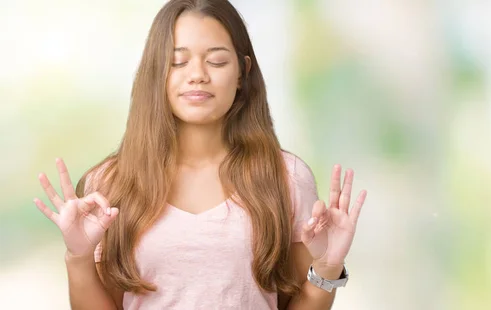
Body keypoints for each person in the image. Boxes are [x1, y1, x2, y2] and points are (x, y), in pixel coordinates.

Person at [33, 0, 367, 309]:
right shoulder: (109, 183)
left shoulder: (285, 177)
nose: (197, 75)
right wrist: (78, 258)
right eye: (177, 62)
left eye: (217, 61)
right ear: (156, 72)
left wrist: (328, 267)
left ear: (242, 72)